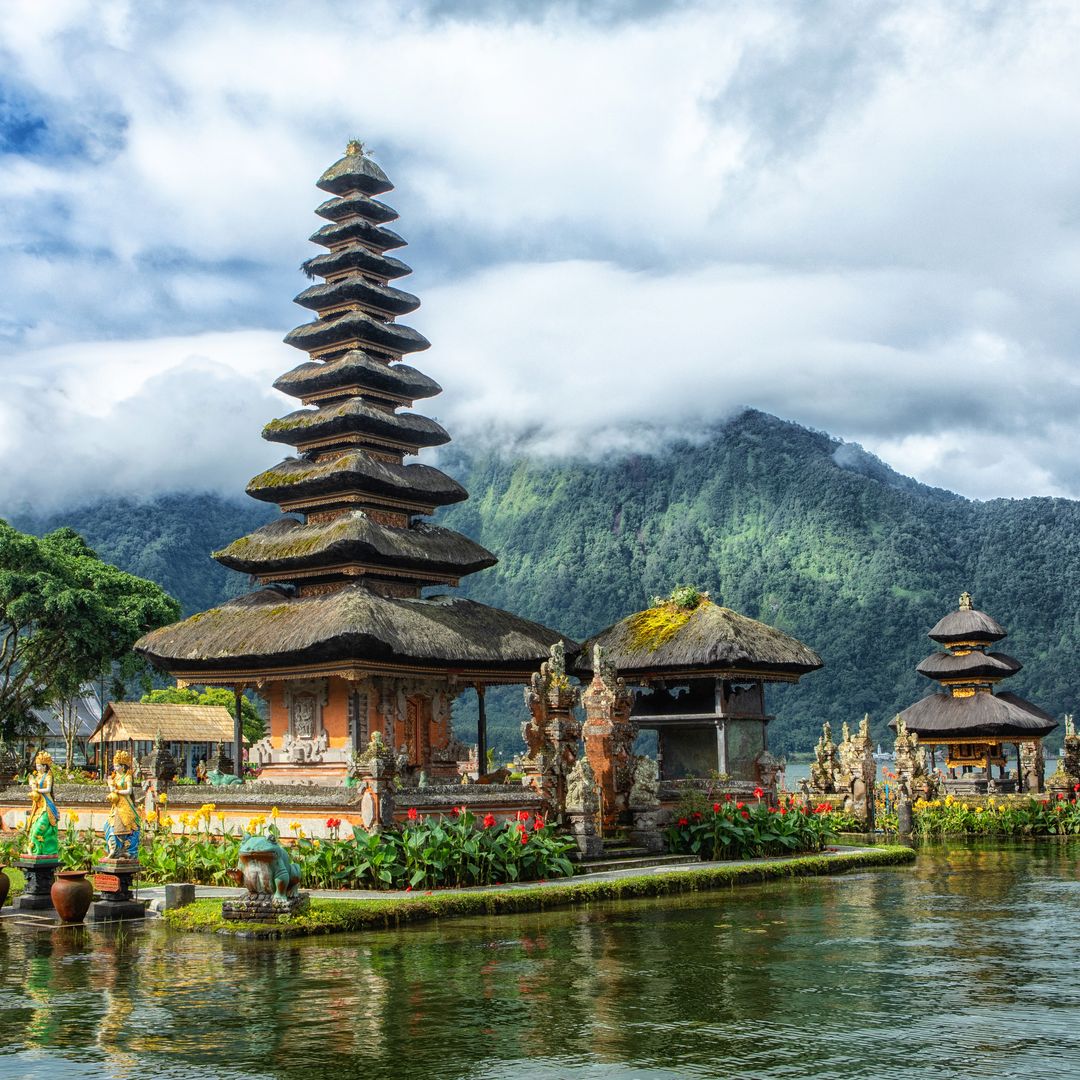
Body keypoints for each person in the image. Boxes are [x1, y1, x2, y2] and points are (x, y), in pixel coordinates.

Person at [104, 751, 141, 859]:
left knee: (126, 826)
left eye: (117, 765)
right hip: (116, 805)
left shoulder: (127, 777)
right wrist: (111, 788)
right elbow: (112, 789)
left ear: (123, 766)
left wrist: (118, 791)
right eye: (115, 765)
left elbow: (129, 791)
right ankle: (112, 849)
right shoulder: (115, 777)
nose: (115, 768)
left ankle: (126, 850)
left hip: (125, 804)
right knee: (109, 825)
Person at [24, 751, 59, 857]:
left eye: (39, 766)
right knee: (33, 826)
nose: (37, 768)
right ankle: (34, 848)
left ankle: (37, 848)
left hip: (47, 805)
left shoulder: (48, 776)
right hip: (38, 805)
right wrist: (32, 784)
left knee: (39, 827)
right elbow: (34, 786)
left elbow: (48, 789)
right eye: (37, 765)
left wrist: (37, 790)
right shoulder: (38, 776)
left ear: (45, 766)